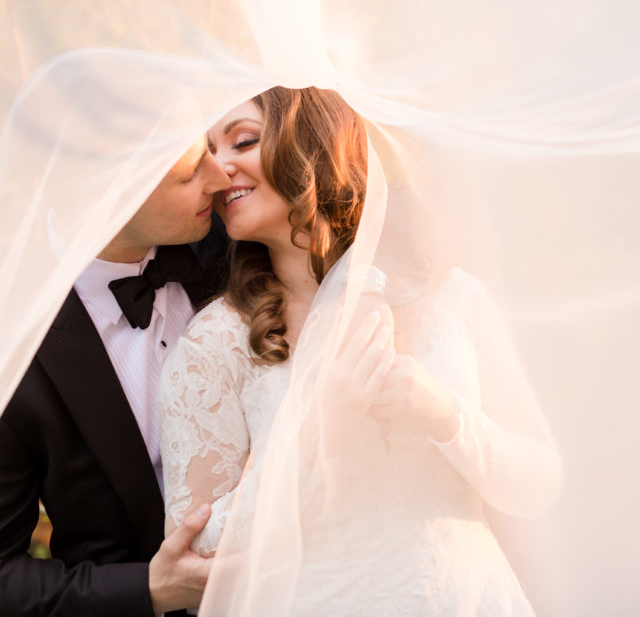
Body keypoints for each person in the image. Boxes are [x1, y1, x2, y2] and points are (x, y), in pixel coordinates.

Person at [159, 86, 562, 615]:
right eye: (210, 152)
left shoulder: (453, 295)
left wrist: (444, 415)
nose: (219, 169)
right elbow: (199, 548)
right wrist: (316, 429)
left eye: (243, 141)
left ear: (312, 143)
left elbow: (538, 485)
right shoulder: (216, 341)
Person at [0, 137, 233, 616]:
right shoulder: (15, 343)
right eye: (190, 172)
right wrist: (149, 589)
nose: (221, 177)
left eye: (211, 147)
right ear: (106, 188)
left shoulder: (236, 241)